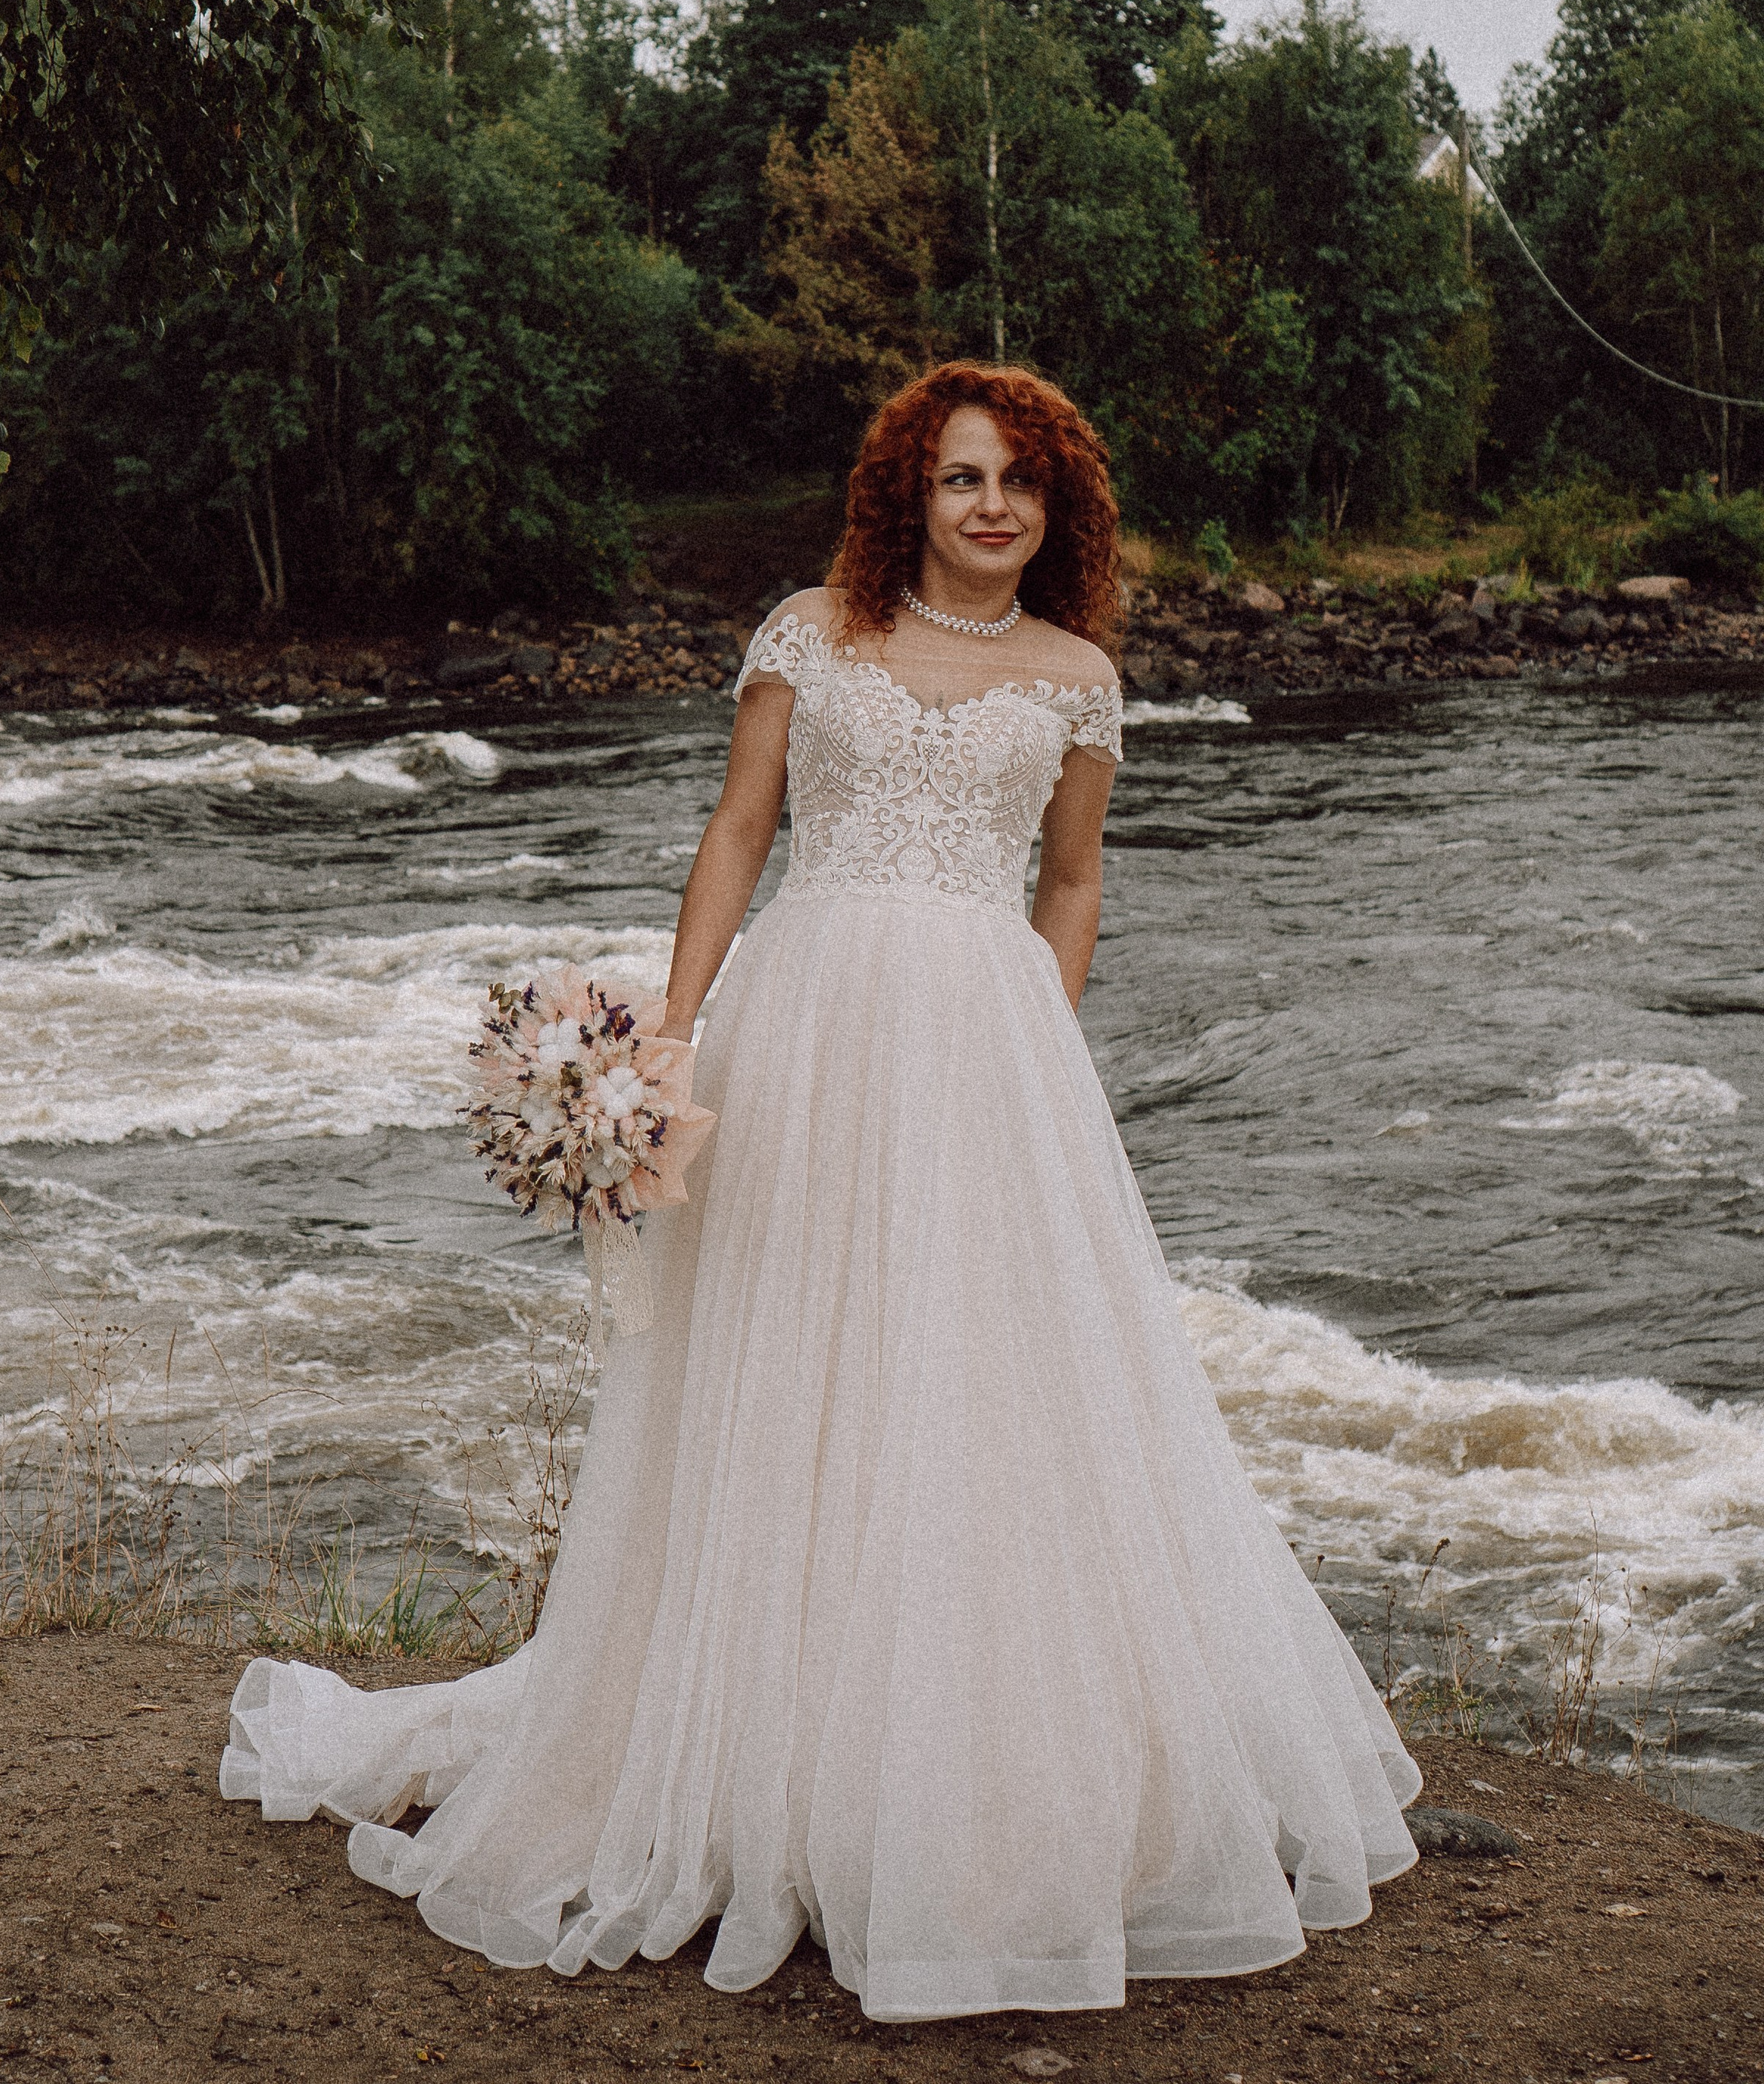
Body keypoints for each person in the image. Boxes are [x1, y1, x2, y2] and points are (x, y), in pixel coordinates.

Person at [222, 360, 1419, 2022]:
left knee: (972, 1391)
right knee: (780, 1366)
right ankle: (748, 1753)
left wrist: (1034, 1057)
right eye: (958, 480)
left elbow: (1068, 882)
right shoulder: (807, 632)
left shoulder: (1078, 679)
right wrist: (670, 1033)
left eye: (1018, 483)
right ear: (905, 500)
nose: (990, 506)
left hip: (985, 1059)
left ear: (1053, 509)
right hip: (803, 1030)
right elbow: (735, 830)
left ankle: (946, 1775)